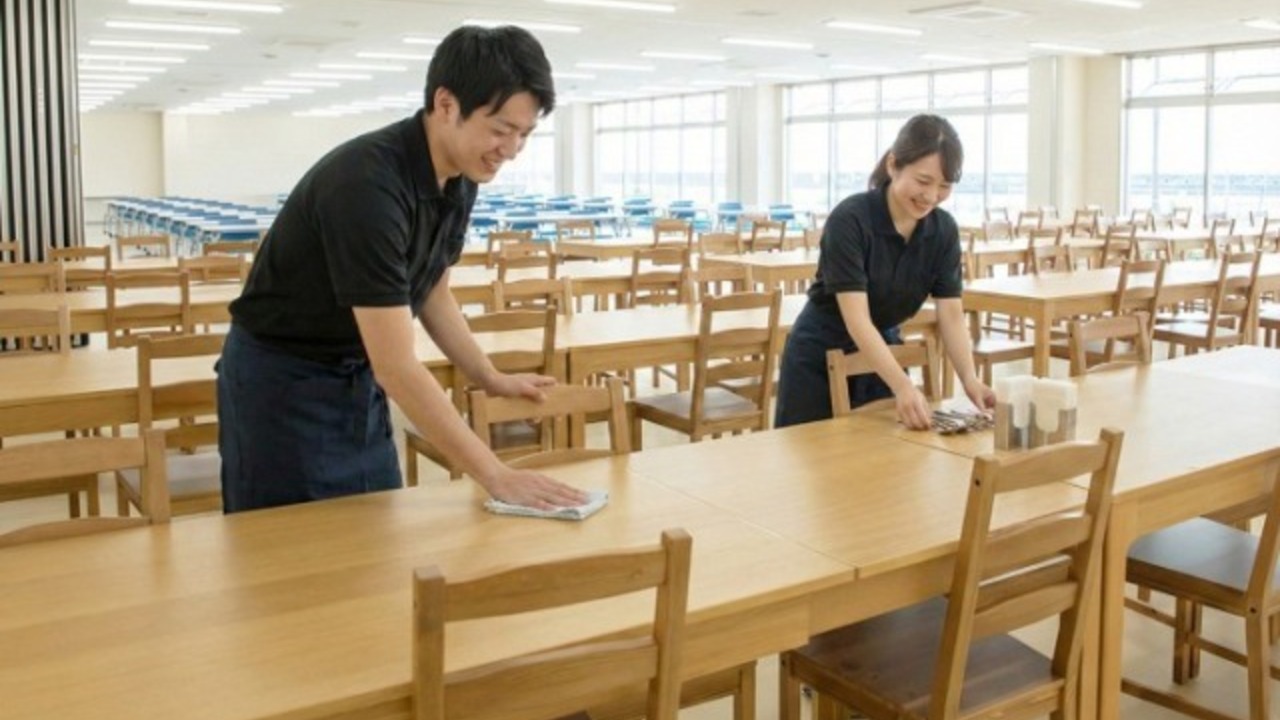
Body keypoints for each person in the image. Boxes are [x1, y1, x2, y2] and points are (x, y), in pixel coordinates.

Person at [217, 25, 587, 513]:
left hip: (356, 372)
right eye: (500, 129)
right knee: (289, 557)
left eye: (525, 134)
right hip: (284, 383)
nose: (512, 150)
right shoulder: (366, 186)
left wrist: (488, 374)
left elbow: (431, 287)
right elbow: (396, 365)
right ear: (446, 104)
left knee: (374, 534)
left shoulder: (460, 174)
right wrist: (496, 474)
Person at [775, 114, 995, 429]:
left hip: (883, 353)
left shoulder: (943, 230)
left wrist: (970, 380)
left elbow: (951, 315)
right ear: (893, 165)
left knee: (887, 461)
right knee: (811, 467)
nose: (931, 196)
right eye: (923, 181)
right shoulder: (851, 220)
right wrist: (903, 385)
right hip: (819, 354)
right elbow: (857, 319)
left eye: (944, 186)